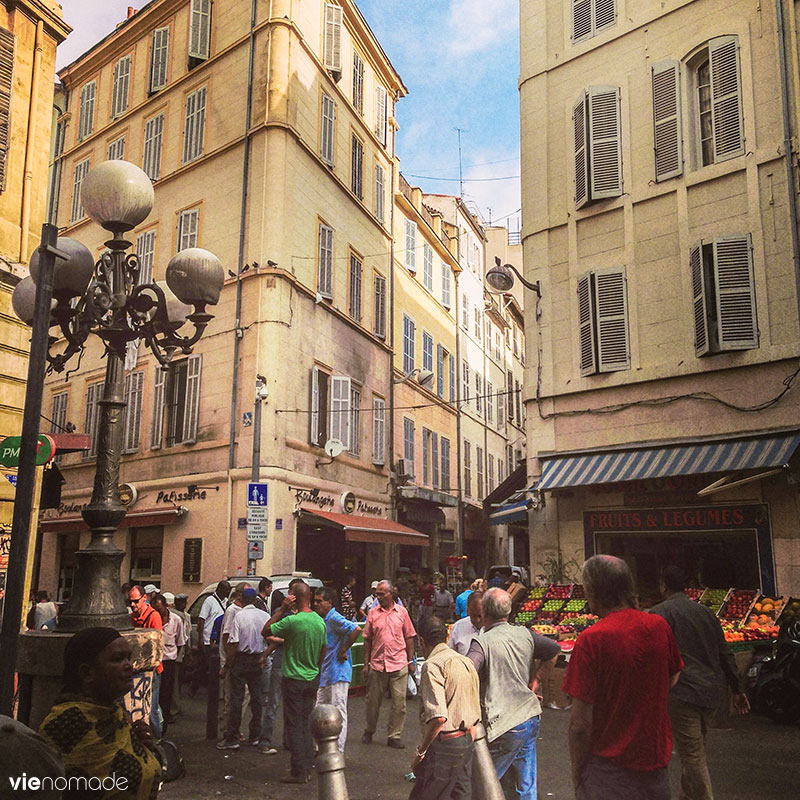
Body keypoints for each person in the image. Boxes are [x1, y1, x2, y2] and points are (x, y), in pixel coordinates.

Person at [563, 555, 683, 800]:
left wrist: (578, 775)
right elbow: (674, 675)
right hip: (655, 769)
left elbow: (580, 725)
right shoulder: (658, 626)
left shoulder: (592, 640)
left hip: (608, 773)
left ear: (594, 592)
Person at [650, 565, 750, 800]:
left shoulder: (659, 614)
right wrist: (737, 689)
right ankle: (687, 796)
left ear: (664, 585)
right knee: (694, 747)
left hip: (682, 692)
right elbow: (725, 653)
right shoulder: (706, 613)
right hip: (710, 691)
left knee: (692, 753)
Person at [38, 627, 161, 799]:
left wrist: (142, 749)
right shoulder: (67, 723)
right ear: (87, 673)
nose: (128, 666)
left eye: (128, 658)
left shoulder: (116, 714)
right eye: (117, 659)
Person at [466, 587, 559, 800]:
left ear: (486, 611)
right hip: (529, 717)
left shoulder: (483, 642)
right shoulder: (524, 634)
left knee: (483, 783)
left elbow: (468, 669)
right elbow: (554, 650)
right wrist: (534, 681)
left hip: (504, 724)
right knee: (524, 784)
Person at [410, 615, 481, 800]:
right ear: (447, 635)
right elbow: (474, 709)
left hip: (445, 744)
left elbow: (438, 718)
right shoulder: (466, 661)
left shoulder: (432, 666)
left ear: (421, 640)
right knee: (460, 794)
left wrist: (421, 751)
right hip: (466, 740)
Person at [262, 581, 327, 783]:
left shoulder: (292, 621)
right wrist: (315, 668)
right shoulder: (319, 621)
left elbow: (266, 631)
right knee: (307, 723)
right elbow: (323, 650)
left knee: (294, 725)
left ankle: (299, 770)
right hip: (311, 677)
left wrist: (282, 609)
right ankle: (308, 765)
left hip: (293, 678)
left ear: (294, 599)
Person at [361, 579, 416, 749]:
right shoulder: (372, 613)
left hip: (398, 663)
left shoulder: (402, 612)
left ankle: (394, 735)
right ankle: (369, 730)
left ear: (391, 593)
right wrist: (365, 664)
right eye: (377, 594)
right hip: (377, 664)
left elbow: (409, 637)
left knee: (399, 703)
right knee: (373, 702)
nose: (378, 597)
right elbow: (367, 640)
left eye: (381, 594)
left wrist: (410, 660)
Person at [217, 587, 270, 750]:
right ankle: (255, 735)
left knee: (236, 698)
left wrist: (227, 665)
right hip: (258, 659)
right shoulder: (265, 616)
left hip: (241, 659)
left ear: (242, 599)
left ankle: (232, 737)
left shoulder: (239, 616)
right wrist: (264, 656)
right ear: (255, 600)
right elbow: (270, 637)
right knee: (257, 699)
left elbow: (233, 643)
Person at [261, 576, 306, 755]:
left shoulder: (305, 614)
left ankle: (290, 740)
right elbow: (268, 634)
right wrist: (284, 641)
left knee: (292, 706)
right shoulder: (282, 612)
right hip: (281, 662)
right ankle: (265, 740)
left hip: (296, 664)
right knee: (273, 703)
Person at [314, 586, 362, 752]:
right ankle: (321, 746)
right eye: (315, 601)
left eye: (319, 601)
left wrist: (343, 649)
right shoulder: (323, 619)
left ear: (329, 602)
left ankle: (338, 750)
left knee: (338, 711)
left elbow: (356, 629)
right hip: (326, 673)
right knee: (320, 709)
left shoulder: (334, 617)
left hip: (338, 672)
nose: (316, 604)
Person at [128, 584, 163, 740]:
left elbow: (157, 643)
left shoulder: (153, 616)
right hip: (137, 670)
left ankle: (157, 739)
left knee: (151, 708)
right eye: (131, 602)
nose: (133, 605)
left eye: (136, 601)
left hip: (152, 669)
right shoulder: (132, 617)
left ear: (144, 598)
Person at [151, 593, 187, 735]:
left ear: (166, 607)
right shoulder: (153, 619)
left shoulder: (176, 620)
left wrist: (172, 656)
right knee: (155, 695)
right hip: (155, 662)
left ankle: (164, 725)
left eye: (159, 610)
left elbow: (180, 642)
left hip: (169, 661)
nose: (157, 613)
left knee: (167, 694)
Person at [192, 579, 229, 696]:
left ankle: (213, 691)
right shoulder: (209, 601)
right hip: (208, 639)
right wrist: (200, 639)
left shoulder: (226, 602)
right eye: (226, 590)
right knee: (204, 666)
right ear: (219, 589)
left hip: (219, 638)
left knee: (214, 666)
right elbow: (201, 620)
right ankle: (193, 688)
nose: (228, 592)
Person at [218, 586, 246, 734]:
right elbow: (226, 636)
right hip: (231, 659)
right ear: (240, 595)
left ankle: (234, 728)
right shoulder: (232, 610)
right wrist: (228, 661)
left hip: (238, 660)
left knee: (241, 695)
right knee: (230, 696)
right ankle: (228, 730)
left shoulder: (243, 611)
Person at [170, 593, 192, 712]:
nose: (183, 605)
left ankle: (177, 705)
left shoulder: (186, 616)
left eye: (185, 602)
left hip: (183, 652)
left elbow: (188, 635)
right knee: (174, 680)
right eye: (181, 602)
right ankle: (175, 707)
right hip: (176, 653)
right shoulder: (174, 616)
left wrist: (188, 652)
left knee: (179, 680)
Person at [449, 590, 483, 655]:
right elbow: (451, 655)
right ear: (467, 610)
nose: (477, 620)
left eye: (480, 616)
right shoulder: (457, 628)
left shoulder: (494, 628)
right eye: (473, 615)